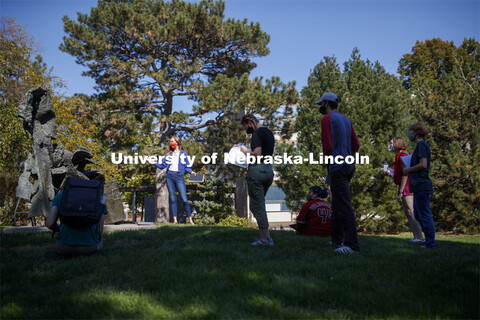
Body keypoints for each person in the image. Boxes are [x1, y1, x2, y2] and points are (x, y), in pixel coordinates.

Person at [316, 92, 360, 253]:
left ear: (327, 103)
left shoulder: (326, 119)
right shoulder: (346, 119)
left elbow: (327, 147)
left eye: (321, 104)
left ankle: (351, 245)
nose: (320, 107)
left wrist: (329, 163)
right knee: (336, 203)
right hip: (348, 165)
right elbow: (356, 144)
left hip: (337, 166)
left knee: (344, 205)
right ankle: (336, 239)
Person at [46, 173, 108, 256]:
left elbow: (50, 223)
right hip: (90, 247)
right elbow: (100, 227)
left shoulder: (60, 195)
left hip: (64, 247)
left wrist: (58, 229)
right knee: (99, 244)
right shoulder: (97, 197)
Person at [238, 114, 275, 246]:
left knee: (257, 205)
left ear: (250, 122)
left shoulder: (257, 134)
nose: (246, 131)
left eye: (246, 127)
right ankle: (268, 237)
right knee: (257, 204)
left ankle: (264, 240)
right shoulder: (269, 132)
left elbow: (257, 153)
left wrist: (244, 151)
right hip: (268, 171)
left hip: (257, 172)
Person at [403, 123, 435, 248]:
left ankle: (430, 243)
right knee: (418, 214)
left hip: (422, 184)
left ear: (416, 131)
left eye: (410, 130)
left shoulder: (422, 145)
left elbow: (423, 164)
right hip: (417, 185)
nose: (409, 133)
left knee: (424, 214)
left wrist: (408, 169)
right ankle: (428, 240)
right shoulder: (419, 146)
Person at [386, 138, 424, 242]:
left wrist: (401, 191)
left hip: (407, 186)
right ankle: (416, 236)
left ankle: (420, 237)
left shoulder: (403, 155)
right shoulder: (398, 156)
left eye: (391, 143)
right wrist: (390, 172)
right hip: (404, 185)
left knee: (411, 211)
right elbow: (399, 173)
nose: (389, 145)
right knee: (407, 212)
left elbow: (405, 173)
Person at [155, 136, 196, 225]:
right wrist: (152, 162)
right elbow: (162, 166)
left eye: (172, 141)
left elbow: (186, 166)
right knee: (173, 199)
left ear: (177, 142)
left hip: (179, 177)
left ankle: (190, 220)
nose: (171, 143)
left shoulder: (183, 154)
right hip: (169, 176)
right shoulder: (168, 154)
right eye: (170, 141)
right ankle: (175, 220)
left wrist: (191, 172)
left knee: (184, 199)